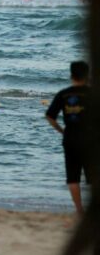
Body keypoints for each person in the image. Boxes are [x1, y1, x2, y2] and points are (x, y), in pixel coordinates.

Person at [45, 61, 91, 214]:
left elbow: (50, 116)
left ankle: (79, 211)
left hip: (70, 138)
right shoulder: (93, 94)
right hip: (90, 139)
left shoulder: (63, 94)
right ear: (87, 76)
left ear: (71, 75)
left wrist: (62, 131)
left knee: (73, 177)